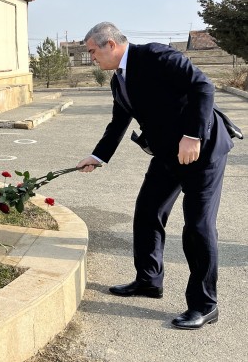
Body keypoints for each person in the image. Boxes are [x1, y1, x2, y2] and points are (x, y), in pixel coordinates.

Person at [77, 22, 235, 330]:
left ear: (110, 44)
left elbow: (203, 86)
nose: (91, 58)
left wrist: (193, 134)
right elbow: (118, 122)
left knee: (198, 226)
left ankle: (205, 304)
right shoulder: (117, 80)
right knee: (148, 211)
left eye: (93, 52)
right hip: (168, 155)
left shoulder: (156, 56)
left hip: (203, 151)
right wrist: (97, 157)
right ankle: (149, 281)